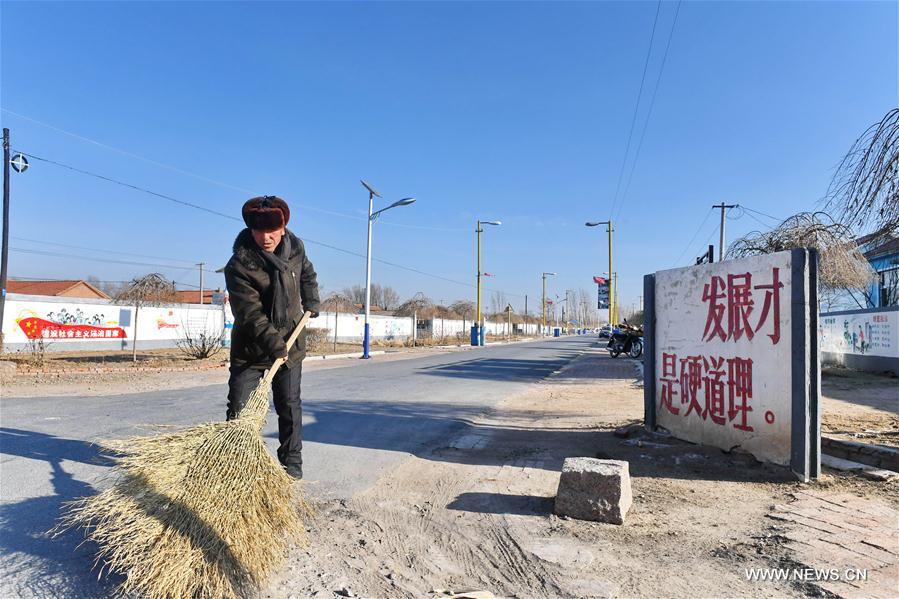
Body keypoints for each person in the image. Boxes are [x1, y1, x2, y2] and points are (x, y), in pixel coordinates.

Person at [224, 196, 320, 480]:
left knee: (289, 406)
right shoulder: (239, 264)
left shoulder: (296, 248)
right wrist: (275, 344)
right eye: (258, 231)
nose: (265, 237)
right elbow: (249, 314)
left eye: (272, 231)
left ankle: (291, 465)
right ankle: (237, 464)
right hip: (251, 348)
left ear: (283, 227)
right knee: (239, 409)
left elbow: (308, 275)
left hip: (291, 340)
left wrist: (311, 300)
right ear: (250, 229)